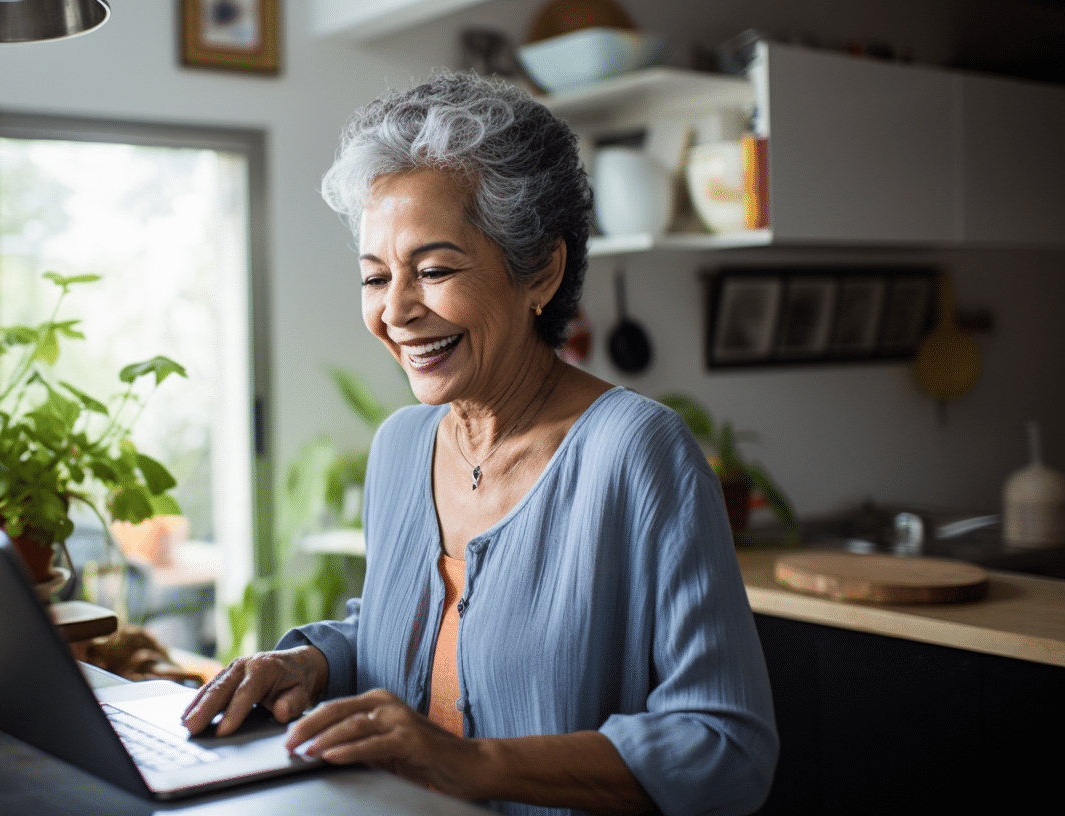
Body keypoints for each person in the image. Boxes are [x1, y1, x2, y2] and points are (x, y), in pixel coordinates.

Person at [182, 72, 778, 816]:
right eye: (374, 277)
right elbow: (414, 633)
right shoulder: (403, 445)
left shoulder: (637, 452)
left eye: (434, 271)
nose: (396, 312)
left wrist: (472, 764)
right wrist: (313, 661)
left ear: (542, 272)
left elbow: (726, 746)